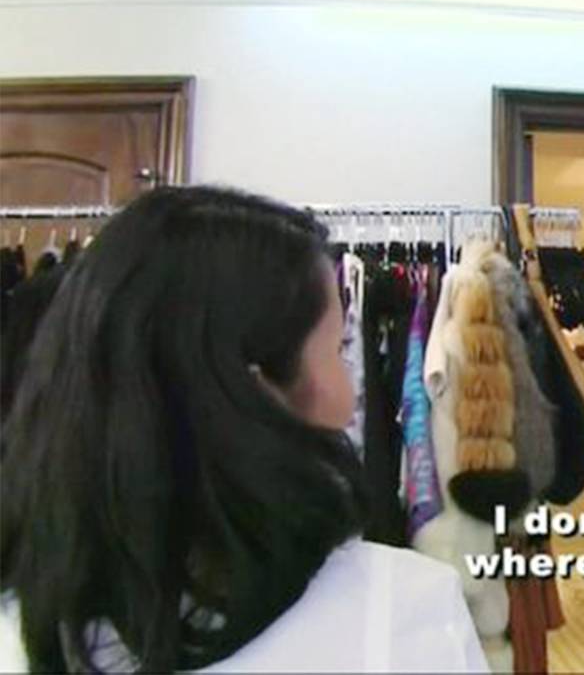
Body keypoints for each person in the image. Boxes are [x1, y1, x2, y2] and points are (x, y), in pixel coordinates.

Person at [0, 186, 487, 672]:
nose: (350, 397)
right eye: (338, 350)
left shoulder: (22, 629)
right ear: (253, 396)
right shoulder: (404, 614)